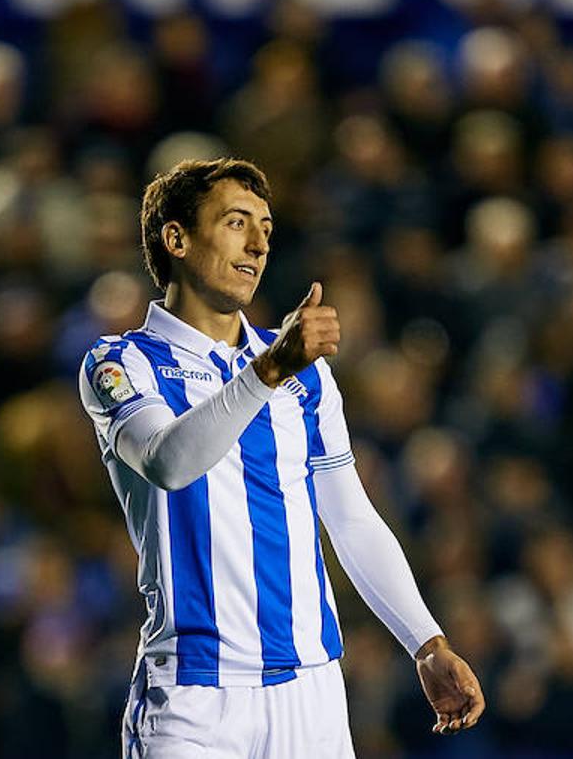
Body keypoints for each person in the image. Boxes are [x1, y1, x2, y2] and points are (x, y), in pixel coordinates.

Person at [77, 158, 485, 757]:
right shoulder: (122, 362)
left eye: (266, 228)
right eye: (236, 222)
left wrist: (427, 643)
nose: (258, 244)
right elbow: (169, 463)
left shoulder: (305, 373)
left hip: (311, 693)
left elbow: (350, 518)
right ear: (177, 239)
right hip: (193, 696)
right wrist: (268, 371)